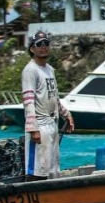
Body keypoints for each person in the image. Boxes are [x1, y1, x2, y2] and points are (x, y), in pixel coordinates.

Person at [22, 31, 75, 179]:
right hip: (39, 124)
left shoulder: (49, 69)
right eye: (39, 44)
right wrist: (33, 128)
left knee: (52, 169)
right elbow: (28, 100)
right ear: (32, 49)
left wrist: (66, 114)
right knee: (37, 170)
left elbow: (54, 96)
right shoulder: (30, 70)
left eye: (46, 44)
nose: (44, 47)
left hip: (52, 123)